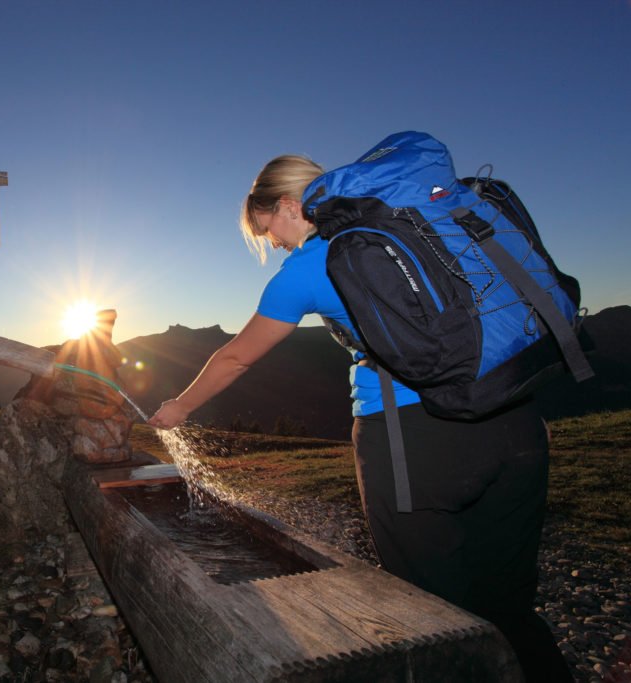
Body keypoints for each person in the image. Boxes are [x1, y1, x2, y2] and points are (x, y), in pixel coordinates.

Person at [148, 154, 573, 681]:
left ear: (286, 205)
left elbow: (236, 356)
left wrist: (179, 408)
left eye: (268, 230)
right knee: (509, 602)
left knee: (436, 614)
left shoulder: (309, 264)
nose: (274, 244)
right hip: (516, 420)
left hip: (414, 441)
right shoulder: (413, 222)